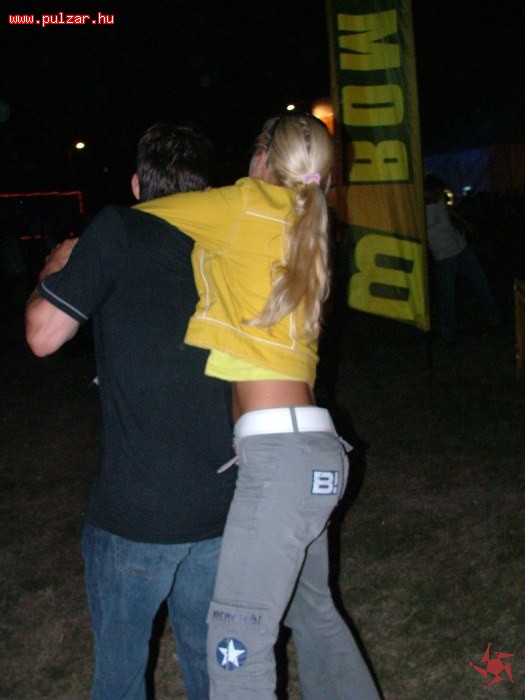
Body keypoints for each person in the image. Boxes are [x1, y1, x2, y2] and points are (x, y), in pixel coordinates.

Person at [137, 113, 382, 700]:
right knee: (313, 611)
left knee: (235, 642)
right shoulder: (308, 221)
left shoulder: (246, 203)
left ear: (263, 157)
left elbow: (140, 216)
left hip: (279, 463)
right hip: (317, 455)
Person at [25, 123, 238, 700]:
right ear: (205, 189)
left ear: (138, 185)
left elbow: (43, 336)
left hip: (137, 513)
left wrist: (54, 268)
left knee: (119, 677)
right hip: (223, 503)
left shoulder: (119, 227)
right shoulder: (227, 246)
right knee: (213, 670)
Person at [424, 174, 504, 344]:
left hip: (460, 248)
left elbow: (448, 211)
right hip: (443, 256)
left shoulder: (439, 200)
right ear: (427, 192)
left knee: (481, 283)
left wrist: (462, 221)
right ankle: (449, 333)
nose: (438, 195)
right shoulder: (420, 211)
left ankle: (497, 318)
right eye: (436, 192)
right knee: (447, 295)